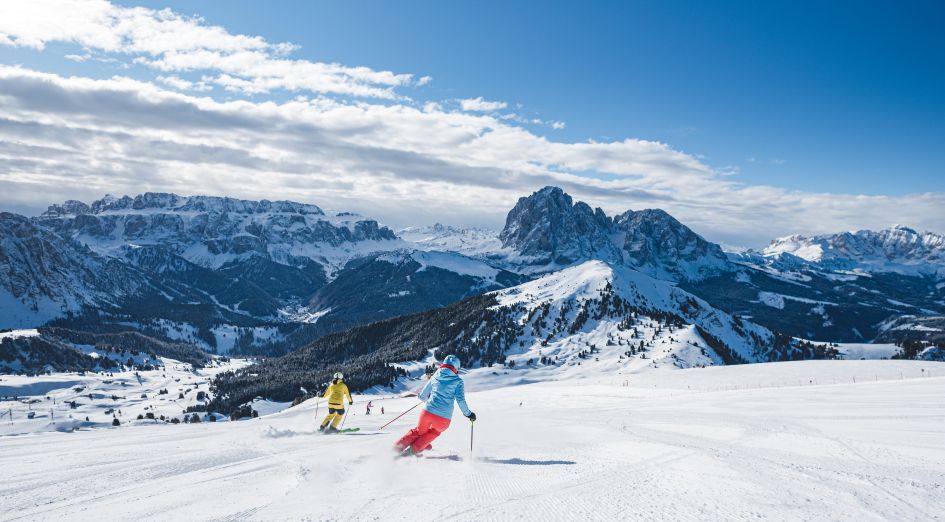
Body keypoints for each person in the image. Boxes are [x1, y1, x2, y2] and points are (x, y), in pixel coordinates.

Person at [394, 355, 476, 457]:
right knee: (434, 432)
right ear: (456, 368)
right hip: (444, 418)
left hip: (428, 412)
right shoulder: (458, 381)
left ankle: (395, 449)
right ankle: (414, 450)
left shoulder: (435, 376)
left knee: (419, 431)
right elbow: (460, 401)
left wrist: (426, 398)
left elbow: (422, 396)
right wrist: (469, 414)